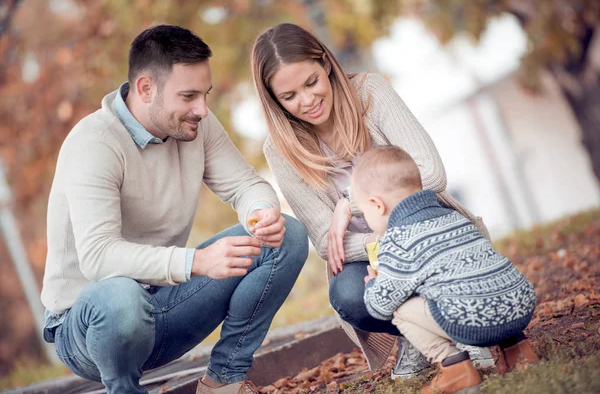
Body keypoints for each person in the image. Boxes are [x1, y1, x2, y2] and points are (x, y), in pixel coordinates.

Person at [40, 24, 309, 394]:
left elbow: (247, 186)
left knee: (288, 236)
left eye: (205, 94)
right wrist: (197, 262)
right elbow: (99, 258)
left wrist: (260, 214)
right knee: (120, 296)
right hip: (90, 331)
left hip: (165, 307)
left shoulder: (195, 125)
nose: (201, 108)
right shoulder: (94, 143)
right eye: (188, 96)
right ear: (145, 88)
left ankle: (224, 382)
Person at [251, 23, 494, 378]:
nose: (307, 101)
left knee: (426, 265)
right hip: (367, 251)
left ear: (326, 64)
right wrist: (379, 246)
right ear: (274, 99)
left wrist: (351, 201)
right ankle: (416, 334)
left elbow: (431, 173)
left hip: (424, 227)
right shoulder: (279, 149)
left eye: (311, 82)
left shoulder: (371, 92)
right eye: (289, 97)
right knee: (349, 295)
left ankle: (466, 330)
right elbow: (326, 241)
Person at [352, 145, 538, 393]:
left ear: (377, 205)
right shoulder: (454, 217)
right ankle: (518, 351)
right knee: (475, 282)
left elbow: (381, 305)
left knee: (402, 309)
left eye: (364, 213)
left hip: (475, 323)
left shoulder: (397, 239)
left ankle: (455, 368)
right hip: (519, 307)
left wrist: (373, 285)